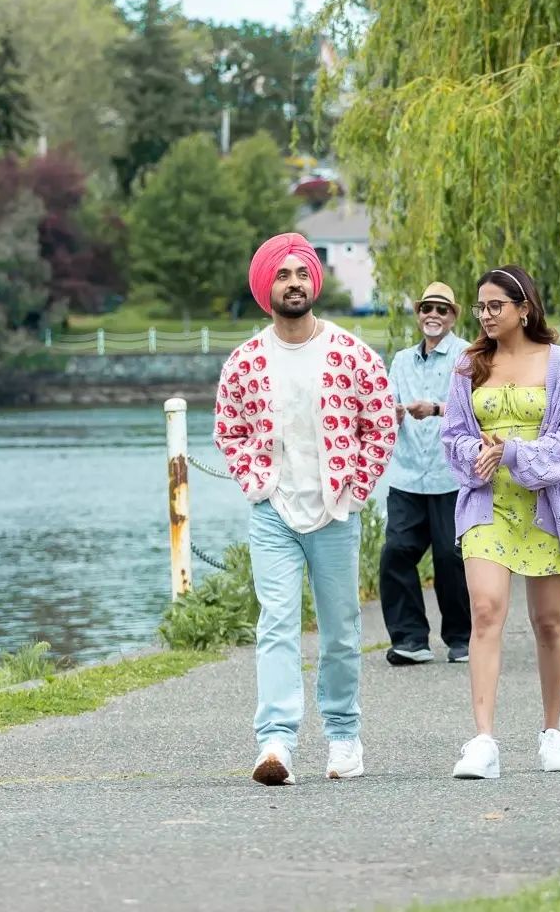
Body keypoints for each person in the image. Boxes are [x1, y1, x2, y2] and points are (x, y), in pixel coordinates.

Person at [214, 232, 395, 785]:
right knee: (276, 625)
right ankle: (275, 743)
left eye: (301, 274)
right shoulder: (245, 361)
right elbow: (229, 429)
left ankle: (343, 737)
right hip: (274, 513)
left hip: (335, 512)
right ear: (264, 287)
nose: (293, 284)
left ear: (313, 282)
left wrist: (356, 489)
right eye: (282, 275)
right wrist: (257, 483)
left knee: (340, 630)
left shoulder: (350, 353)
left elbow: (380, 422)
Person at [440, 265, 560, 779]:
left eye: (495, 306)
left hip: (546, 503)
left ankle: (552, 733)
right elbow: (453, 434)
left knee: (548, 622)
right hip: (487, 504)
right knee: (485, 611)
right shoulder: (468, 365)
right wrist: (476, 455)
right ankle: (483, 741)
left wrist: (513, 453)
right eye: (480, 307)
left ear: (524, 308)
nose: (485, 315)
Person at [380, 283, 472, 666]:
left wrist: (434, 408)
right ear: (418, 314)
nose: (433, 315)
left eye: (441, 309)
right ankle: (410, 639)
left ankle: (462, 639)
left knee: (451, 559)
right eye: (426, 308)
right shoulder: (401, 360)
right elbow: (386, 405)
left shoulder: (468, 356)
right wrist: (392, 413)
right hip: (407, 476)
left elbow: (476, 409)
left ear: (453, 316)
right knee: (395, 553)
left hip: (450, 476)